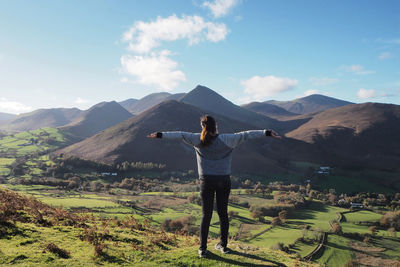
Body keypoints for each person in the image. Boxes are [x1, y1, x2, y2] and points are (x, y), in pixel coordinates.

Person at [147, 115, 281, 258]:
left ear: (202, 126)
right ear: (216, 126)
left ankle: (203, 249)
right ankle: (223, 246)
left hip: (206, 181)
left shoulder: (197, 139)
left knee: (206, 215)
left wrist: (159, 135)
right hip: (224, 181)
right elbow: (247, 135)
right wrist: (267, 132)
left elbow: (179, 135)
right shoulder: (228, 139)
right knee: (223, 214)